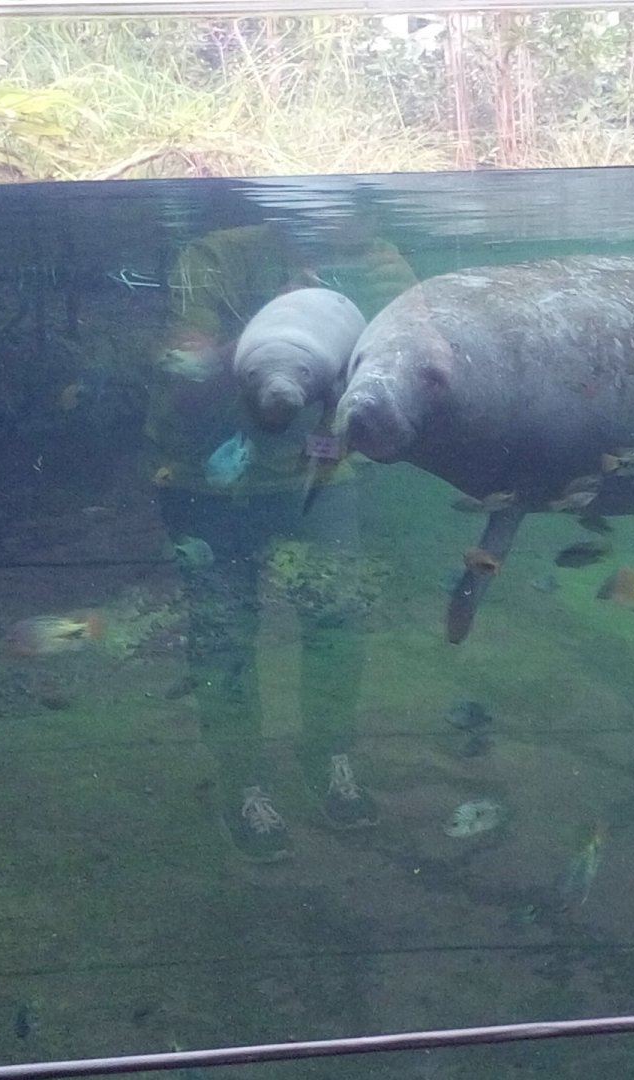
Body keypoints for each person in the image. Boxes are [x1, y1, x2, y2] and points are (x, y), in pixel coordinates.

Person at [146, 222, 414, 863]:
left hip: (321, 472)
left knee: (336, 618)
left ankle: (330, 756)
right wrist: (287, 328)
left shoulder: (370, 251)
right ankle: (243, 781)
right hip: (211, 479)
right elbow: (187, 380)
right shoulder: (213, 257)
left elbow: (415, 349)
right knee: (224, 630)